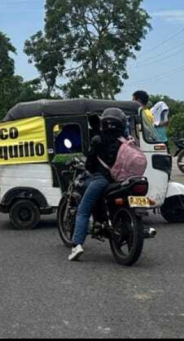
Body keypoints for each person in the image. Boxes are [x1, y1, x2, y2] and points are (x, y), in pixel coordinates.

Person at [69, 108, 127, 262]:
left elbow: (89, 164)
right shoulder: (126, 141)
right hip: (122, 180)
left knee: (82, 211)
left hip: (102, 179)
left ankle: (76, 246)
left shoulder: (98, 140)